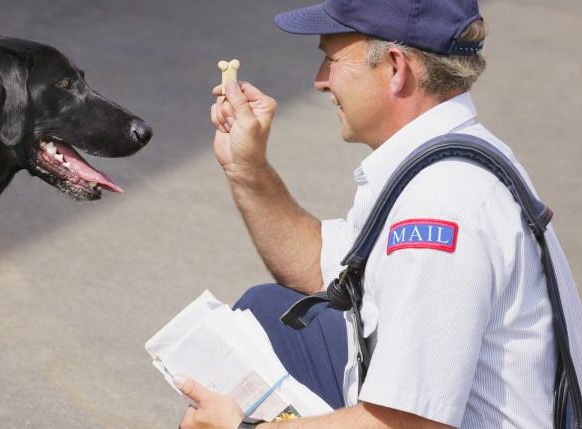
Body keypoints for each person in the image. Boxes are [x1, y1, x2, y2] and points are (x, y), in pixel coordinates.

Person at [177, 0, 582, 428]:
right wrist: (247, 169)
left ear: (395, 68)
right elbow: (321, 268)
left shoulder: (442, 206)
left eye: (331, 60)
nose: (318, 81)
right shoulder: (438, 153)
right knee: (266, 312)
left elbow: (409, 424)